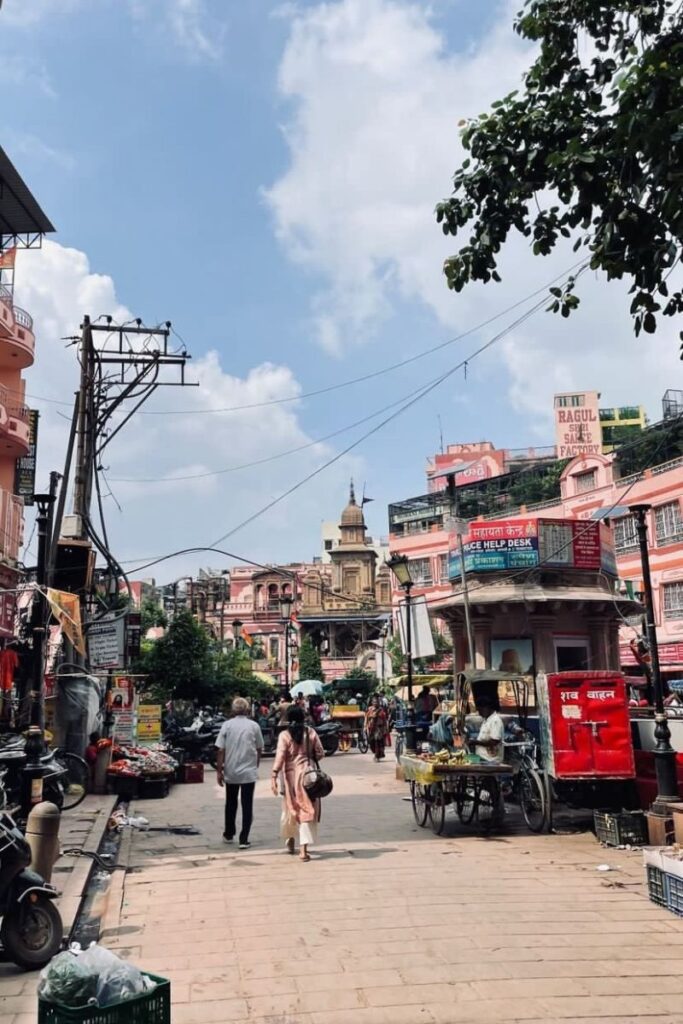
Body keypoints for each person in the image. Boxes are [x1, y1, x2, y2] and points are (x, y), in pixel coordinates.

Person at [271, 705, 325, 862]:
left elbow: (280, 757)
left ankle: (290, 840)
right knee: (307, 810)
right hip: (308, 776)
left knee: (290, 808)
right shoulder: (310, 732)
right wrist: (309, 759)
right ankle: (303, 850)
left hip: (289, 777)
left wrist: (274, 776)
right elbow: (320, 753)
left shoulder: (284, 735)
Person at [215, 696, 264, 849]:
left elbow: (220, 749)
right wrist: (256, 764)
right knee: (247, 804)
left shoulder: (227, 725)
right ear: (247, 709)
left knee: (231, 802)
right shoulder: (254, 726)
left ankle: (229, 833)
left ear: (233, 710)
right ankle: (244, 839)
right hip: (249, 771)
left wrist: (219, 770)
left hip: (231, 770)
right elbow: (259, 748)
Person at [472, 696, 506, 825]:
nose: (480, 713)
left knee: (491, 786)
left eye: (481, 710)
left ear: (487, 708)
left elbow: (494, 741)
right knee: (488, 785)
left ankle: (497, 809)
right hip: (483, 757)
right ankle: (495, 808)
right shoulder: (487, 720)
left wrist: (476, 742)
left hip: (490, 759)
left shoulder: (495, 720)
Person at [365, 694, 389, 761]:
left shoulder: (381, 710)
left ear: (378, 702)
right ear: (372, 702)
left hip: (379, 728)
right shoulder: (370, 709)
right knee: (371, 742)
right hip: (371, 728)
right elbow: (366, 718)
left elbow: (384, 719)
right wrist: (365, 726)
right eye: (374, 702)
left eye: (376, 702)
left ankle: (377, 756)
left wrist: (385, 728)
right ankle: (376, 754)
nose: (375, 703)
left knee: (377, 741)